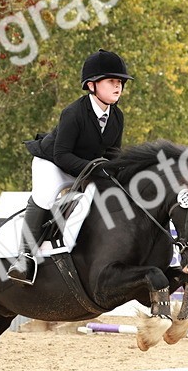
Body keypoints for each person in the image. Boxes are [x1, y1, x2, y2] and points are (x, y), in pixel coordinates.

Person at [9, 49, 131, 284]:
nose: (118, 87)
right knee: (45, 197)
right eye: (112, 81)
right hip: (53, 163)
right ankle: (24, 257)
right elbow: (62, 154)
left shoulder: (117, 117)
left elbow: (113, 153)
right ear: (92, 85)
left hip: (84, 166)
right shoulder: (73, 113)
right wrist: (96, 169)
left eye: (121, 82)